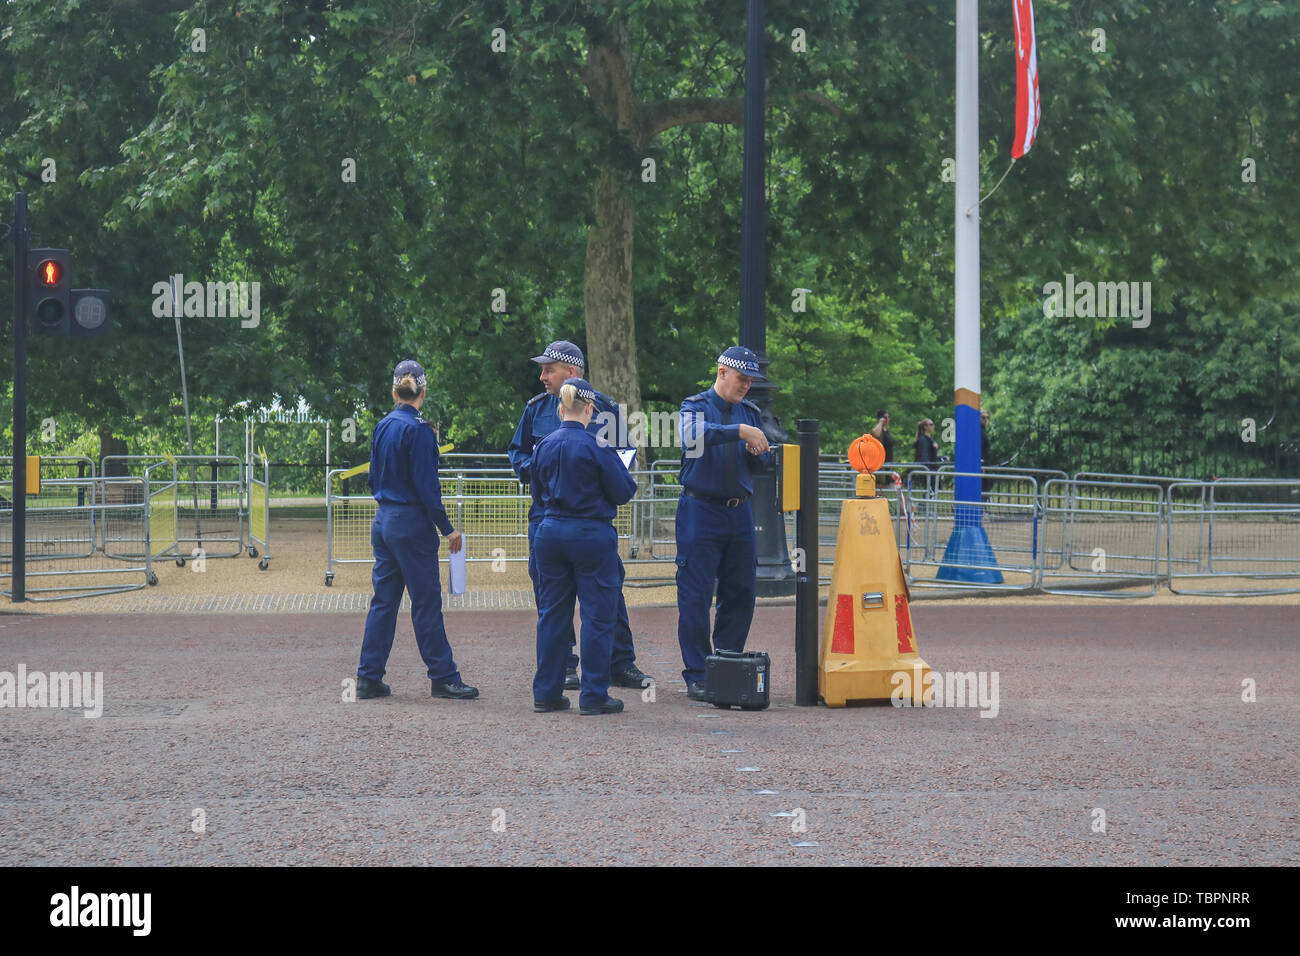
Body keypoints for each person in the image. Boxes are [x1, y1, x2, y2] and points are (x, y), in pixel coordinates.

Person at [507, 340, 652, 691]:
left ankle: (619, 663)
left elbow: (624, 453)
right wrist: (545, 472)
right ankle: (566, 666)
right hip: (547, 514)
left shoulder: (603, 409)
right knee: (551, 594)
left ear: (570, 372)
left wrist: (594, 483)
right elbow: (518, 453)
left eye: (548, 370)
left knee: (608, 591)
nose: (542, 376)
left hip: (590, 516)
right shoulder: (536, 409)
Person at [356, 359, 478, 701]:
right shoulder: (422, 430)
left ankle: (368, 676)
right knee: (426, 602)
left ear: (395, 391)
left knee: (383, 602)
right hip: (411, 523)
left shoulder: (383, 425)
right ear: (422, 392)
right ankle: (443, 676)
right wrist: (448, 528)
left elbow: (373, 478)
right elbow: (428, 488)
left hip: (384, 519)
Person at [530, 377, 638, 715]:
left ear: (560, 409)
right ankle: (593, 694)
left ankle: (546, 692)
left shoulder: (544, 445)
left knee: (552, 615)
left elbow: (535, 491)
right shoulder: (598, 447)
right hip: (591, 533)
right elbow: (623, 492)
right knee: (597, 616)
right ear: (590, 410)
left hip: (550, 530)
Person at [675, 346, 772, 701]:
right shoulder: (695, 406)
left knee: (741, 591)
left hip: (739, 511)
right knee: (696, 595)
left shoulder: (750, 412)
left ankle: (727, 663)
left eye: (750, 380)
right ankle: (699, 674)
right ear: (721, 373)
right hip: (701, 510)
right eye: (741, 378)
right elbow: (690, 435)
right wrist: (740, 432)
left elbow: (763, 463)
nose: (746, 385)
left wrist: (760, 453)